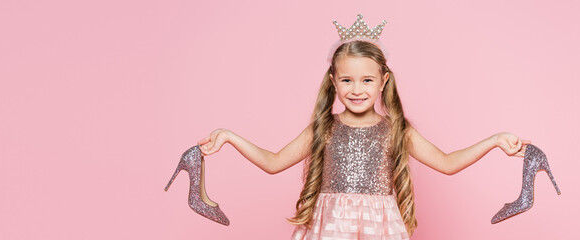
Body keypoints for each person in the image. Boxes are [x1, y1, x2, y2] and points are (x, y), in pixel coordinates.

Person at [196, 14, 531, 240]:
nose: (357, 89)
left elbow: (447, 162)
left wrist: (494, 141)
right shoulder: (324, 128)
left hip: (379, 228)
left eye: (367, 80)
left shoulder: (396, 130)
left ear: (383, 81)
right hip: (329, 226)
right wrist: (229, 137)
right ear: (334, 82)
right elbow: (273, 162)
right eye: (347, 80)